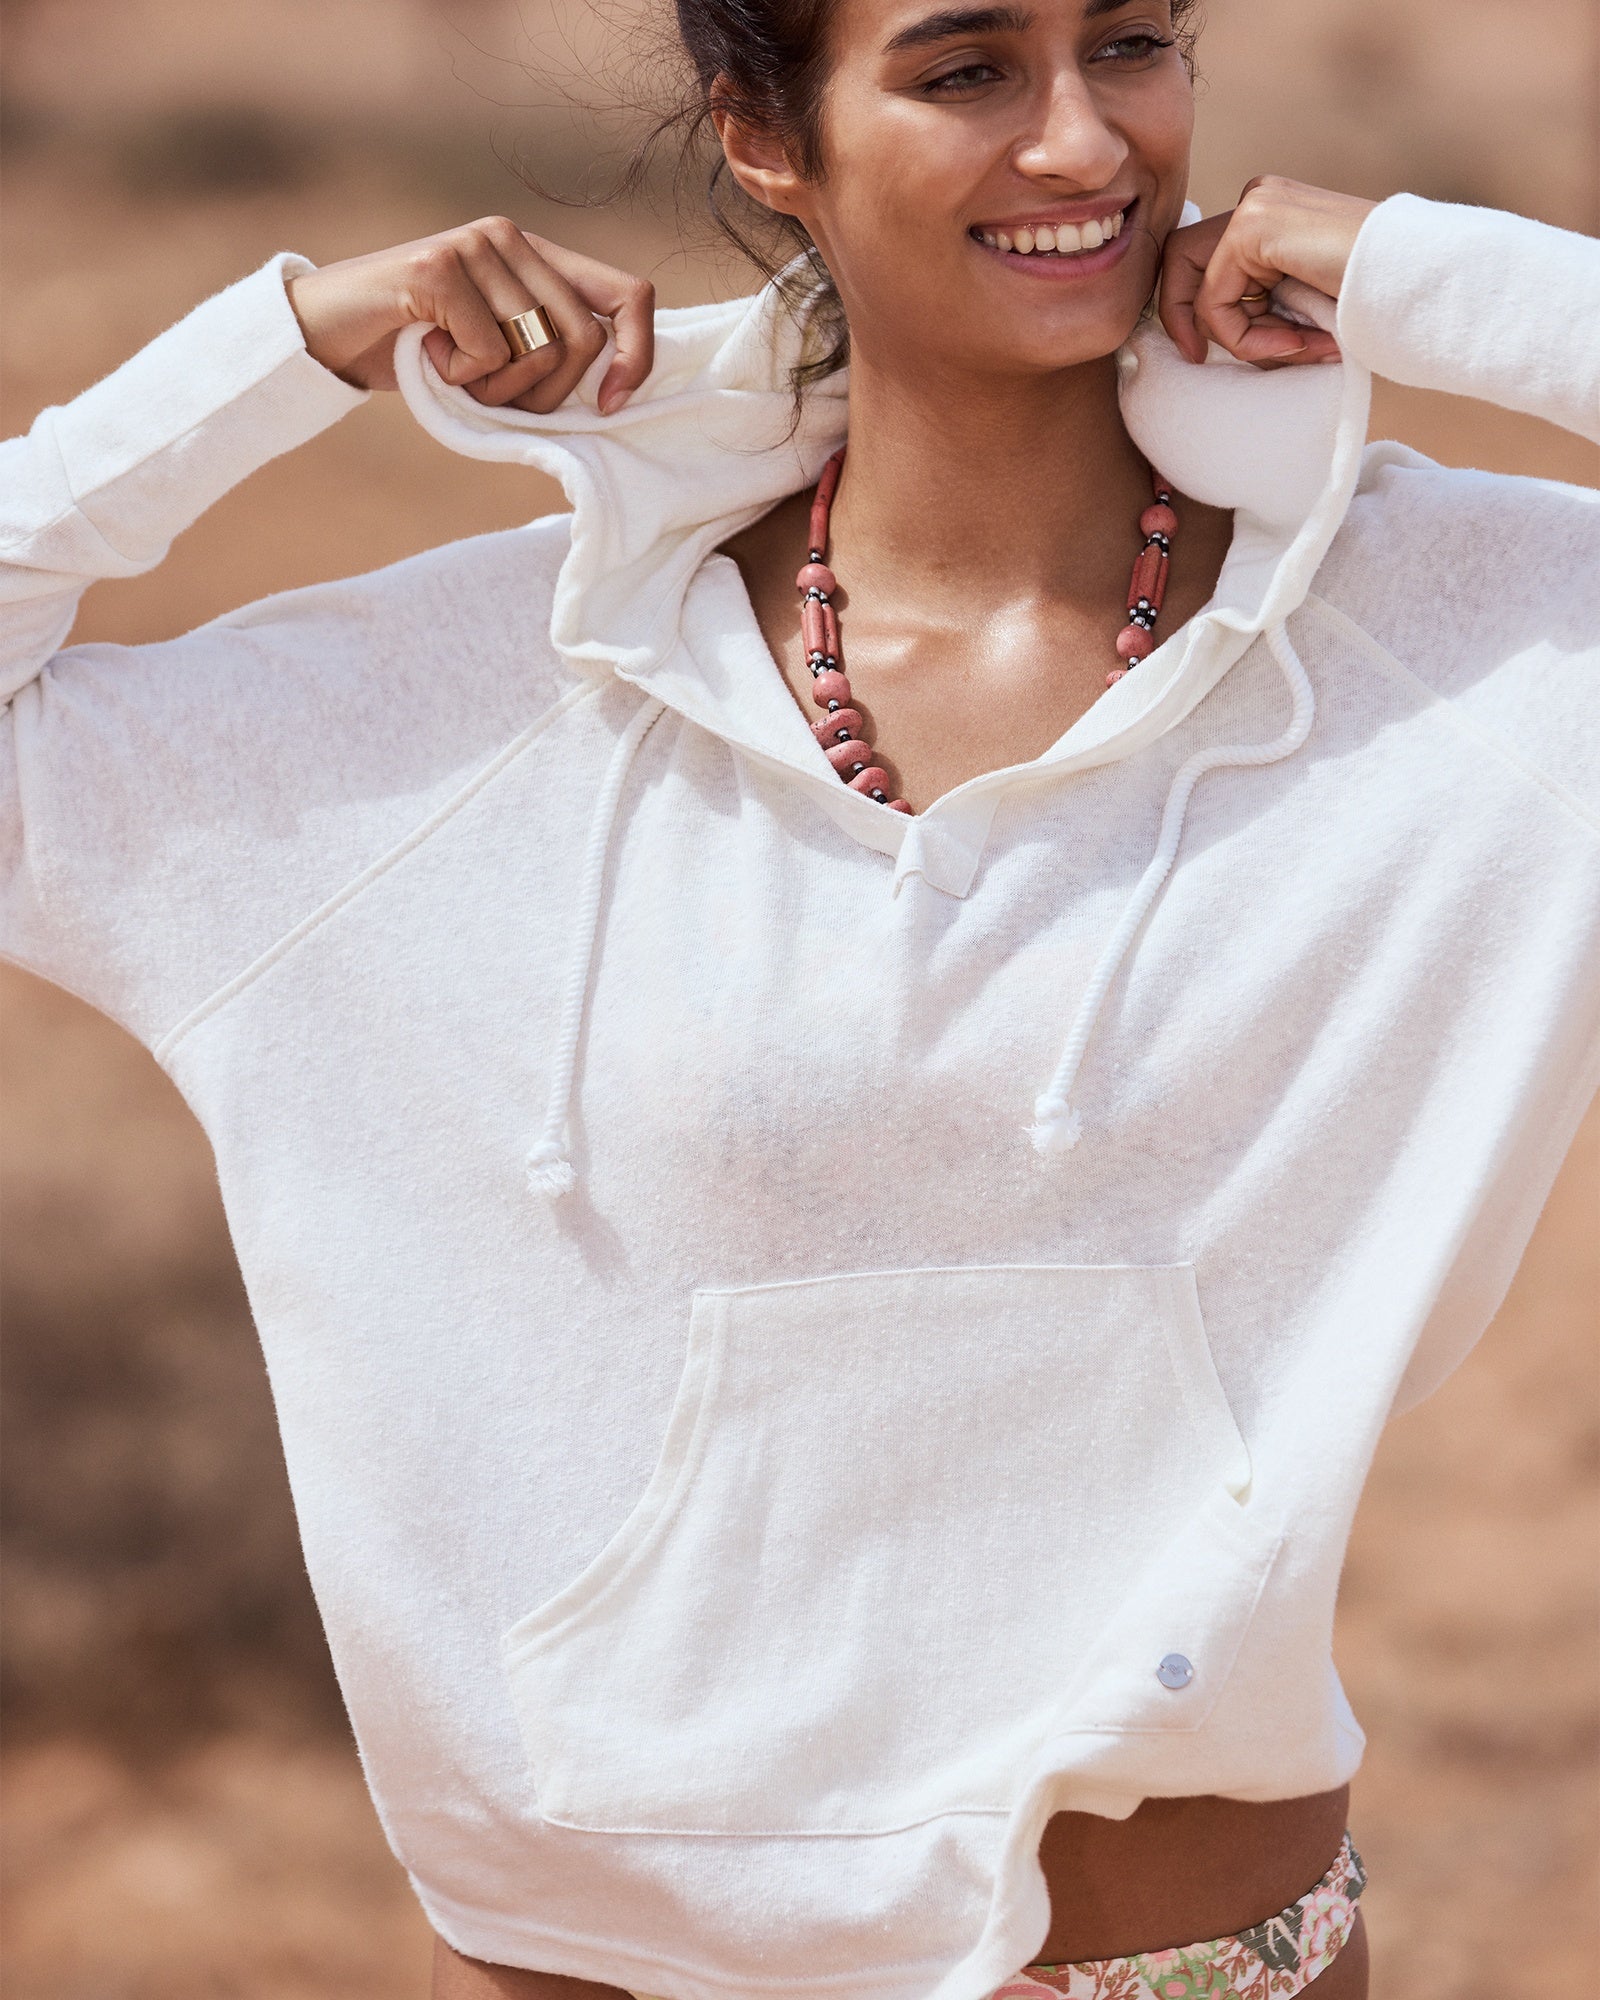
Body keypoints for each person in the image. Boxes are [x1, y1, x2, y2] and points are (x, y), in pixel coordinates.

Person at [3, 0, 1597, 1994]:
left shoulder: (1467, 651)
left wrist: (1436, 280)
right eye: (965, 70)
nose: (1083, 141)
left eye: (1128, 43)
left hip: (1179, 1950)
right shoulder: (466, 711)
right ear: (766, 134)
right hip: (617, 1957)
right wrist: (291, 345)